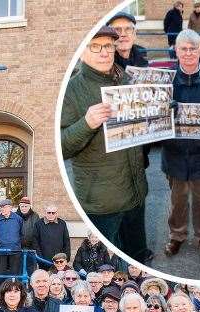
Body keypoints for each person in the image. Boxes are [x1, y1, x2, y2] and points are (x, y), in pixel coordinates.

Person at [60, 26, 149, 263]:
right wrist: (86, 123)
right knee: (107, 264)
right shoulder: (72, 90)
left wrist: (159, 110)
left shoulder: (127, 80)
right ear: (82, 52)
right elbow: (62, 147)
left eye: (108, 46)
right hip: (102, 202)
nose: (104, 52)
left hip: (135, 193)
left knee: (137, 257)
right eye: (95, 46)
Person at [162, 29, 200, 258]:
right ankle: (176, 236)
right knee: (177, 202)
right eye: (183, 49)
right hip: (174, 153)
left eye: (192, 49)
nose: (187, 53)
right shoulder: (165, 82)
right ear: (176, 50)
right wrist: (163, 109)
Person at [0, 199, 23, 281]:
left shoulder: (18, 219)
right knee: (0, 274)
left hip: (15, 250)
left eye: (5, 207)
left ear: (10, 208)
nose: (3, 209)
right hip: (1, 250)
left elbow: (22, 233)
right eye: (1, 207)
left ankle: (14, 291)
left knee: (14, 275)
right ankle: (0, 292)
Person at [33, 205, 70, 269]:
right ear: (45, 213)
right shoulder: (38, 224)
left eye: (53, 213)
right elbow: (35, 243)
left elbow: (66, 242)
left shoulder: (62, 223)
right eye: (49, 212)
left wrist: (66, 257)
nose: (51, 214)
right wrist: (40, 259)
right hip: (44, 260)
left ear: (56, 213)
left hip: (59, 261)